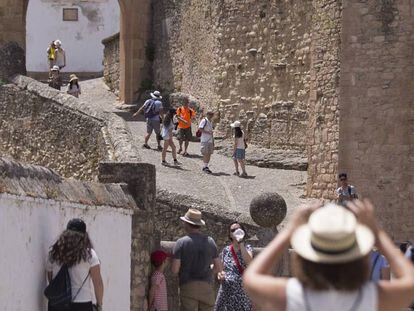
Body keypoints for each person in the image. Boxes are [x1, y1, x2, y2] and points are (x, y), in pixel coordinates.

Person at [243, 199, 414, 311]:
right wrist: (376, 233)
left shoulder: (291, 295)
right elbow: (410, 280)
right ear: (357, 258)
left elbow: (251, 276)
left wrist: (290, 230)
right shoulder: (372, 299)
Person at [46, 218, 104, 311]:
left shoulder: (54, 253)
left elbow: (50, 277)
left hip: (57, 303)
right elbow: (98, 283)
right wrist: (99, 305)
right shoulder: (89, 255)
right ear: (84, 235)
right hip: (82, 303)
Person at [171, 208, 222, 311]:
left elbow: (175, 270)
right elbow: (219, 267)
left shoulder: (181, 243)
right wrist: (209, 271)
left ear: (187, 223)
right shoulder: (210, 241)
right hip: (206, 286)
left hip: (187, 285)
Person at [215, 222, 253, 311]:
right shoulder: (226, 250)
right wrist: (219, 274)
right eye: (233, 230)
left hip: (241, 292)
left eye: (239, 229)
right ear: (230, 235)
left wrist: (241, 243)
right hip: (226, 291)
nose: (236, 231)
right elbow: (221, 268)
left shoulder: (247, 247)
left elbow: (249, 262)